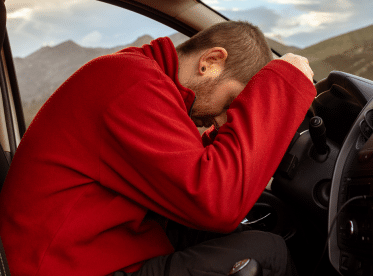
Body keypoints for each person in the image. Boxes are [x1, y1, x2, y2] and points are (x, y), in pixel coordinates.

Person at [0, 21, 316, 276]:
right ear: (210, 62)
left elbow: (186, 165)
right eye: (231, 104)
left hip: (90, 253)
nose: (221, 123)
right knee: (268, 252)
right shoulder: (131, 82)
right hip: (63, 267)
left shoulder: (141, 81)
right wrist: (284, 81)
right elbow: (216, 202)